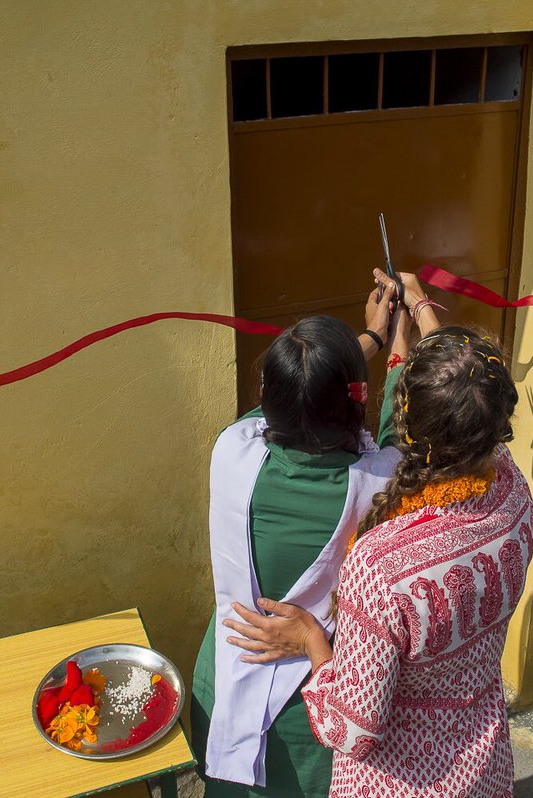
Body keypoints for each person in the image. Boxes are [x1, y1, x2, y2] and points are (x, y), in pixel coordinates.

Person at [222, 272, 533, 798]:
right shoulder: (511, 489)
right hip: (481, 768)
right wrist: (420, 308)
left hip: (399, 783)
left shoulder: (381, 564)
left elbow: (353, 729)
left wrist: (311, 640)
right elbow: (474, 390)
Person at [190, 283, 405, 798]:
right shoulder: (379, 484)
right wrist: (395, 341)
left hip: (225, 680)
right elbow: (402, 428)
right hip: (312, 709)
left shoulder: (232, 451)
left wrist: (370, 337)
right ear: (356, 399)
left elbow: (291, 401)